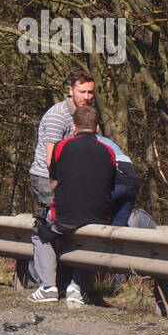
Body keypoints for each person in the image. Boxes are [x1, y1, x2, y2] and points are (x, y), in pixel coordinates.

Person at [26, 72, 95, 300]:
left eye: (90, 92)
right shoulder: (58, 116)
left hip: (70, 180)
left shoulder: (86, 116)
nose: (86, 96)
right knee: (55, 224)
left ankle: (62, 282)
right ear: (70, 90)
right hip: (47, 178)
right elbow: (50, 160)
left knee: (70, 226)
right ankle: (49, 284)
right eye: (82, 91)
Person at [38, 104, 115, 308]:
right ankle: (77, 286)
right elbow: (111, 186)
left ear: (74, 127)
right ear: (97, 128)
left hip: (65, 215)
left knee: (41, 231)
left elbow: (53, 182)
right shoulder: (109, 151)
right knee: (89, 243)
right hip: (98, 216)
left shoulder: (62, 146)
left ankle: (48, 287)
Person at [95, 132, 140, 227]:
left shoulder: (83, 142)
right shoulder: (108, 141)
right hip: (131, 178)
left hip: (116, 176)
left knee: (93, 220)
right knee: (117, 230)